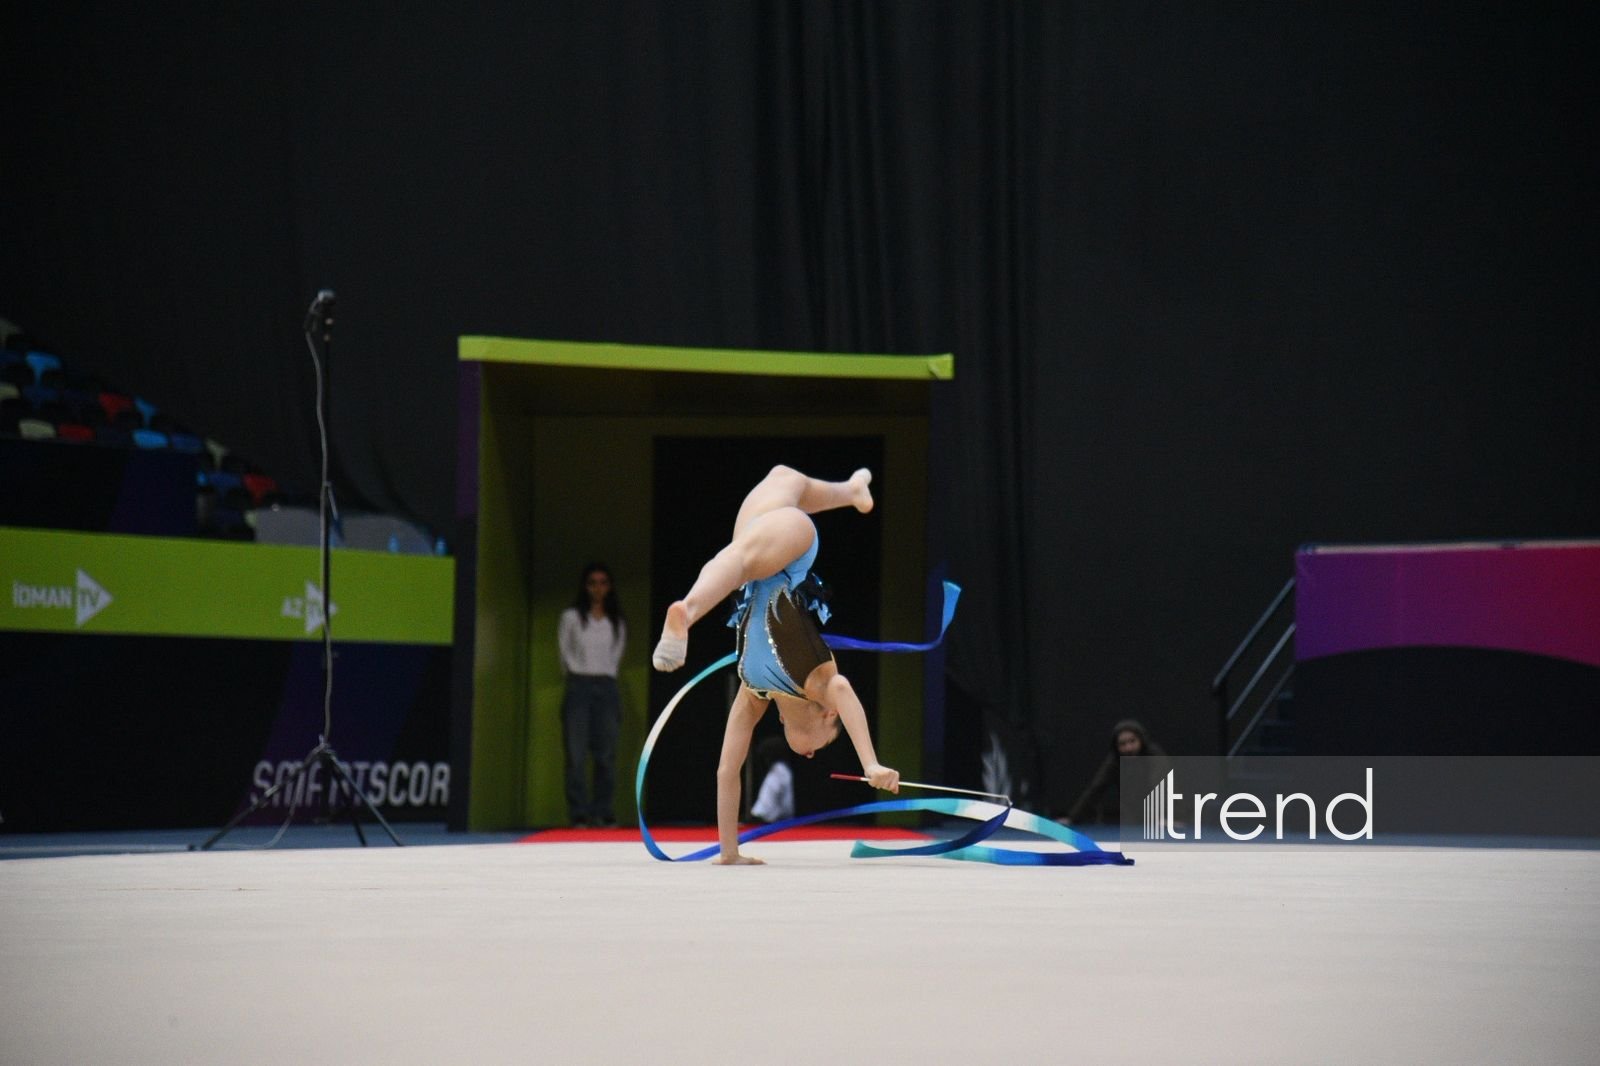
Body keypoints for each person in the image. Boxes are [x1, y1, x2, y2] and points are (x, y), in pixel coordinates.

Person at [652, 464, 900, 864]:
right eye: (825, 744)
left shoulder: (755, 693)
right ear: (827, 715)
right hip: (790, 551)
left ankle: (852, 490)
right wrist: (870, 764)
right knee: (742, 560)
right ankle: (687, 611)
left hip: (760, 532)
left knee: (785, 479)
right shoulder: (819, 683)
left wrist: (729, 853)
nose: (813, 755)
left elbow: (726, 772)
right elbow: (845, 692)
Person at [559, 562, 627, 828]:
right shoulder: (571, 617)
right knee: (575, 753)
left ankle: (603, 810)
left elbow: (616, 655)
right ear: (585, 586)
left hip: (606, 685)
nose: (598, 589)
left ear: (609, 587)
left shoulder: (616, 620)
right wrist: (578, 678)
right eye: (592, 583)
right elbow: (564, 653)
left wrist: (605, 678)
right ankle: (578, 812)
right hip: (579, 685)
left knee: (606, 753)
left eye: (603, 583)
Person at [1061, 719, 1169, 826]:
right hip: (1132, 816)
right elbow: (1096, 788)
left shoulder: (1154, 756)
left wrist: (1168, 817)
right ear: (1116, 746)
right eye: (1123, 744)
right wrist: (1072, 818)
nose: (1128, 748)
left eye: (1132, 741)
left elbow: (1163, 786)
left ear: (1141, 740)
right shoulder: (1115, 761)